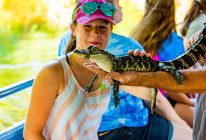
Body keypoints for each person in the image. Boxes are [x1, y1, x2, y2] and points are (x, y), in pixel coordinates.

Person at [58, 0, 193, 139]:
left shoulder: (67, 39)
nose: (121, 7)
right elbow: (154, 99)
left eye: (102, 28)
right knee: (193, 135)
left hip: (89, 129)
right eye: (118, 3)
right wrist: (182, 124)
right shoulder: (128, 45)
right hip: (130, 126)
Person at [84, 33, 206, 140]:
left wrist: (138, 78)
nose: (95, 33)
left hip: (132, 118)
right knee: (193, 133)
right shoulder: (126, 46)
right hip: (133, 124)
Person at [23, 0, 116, 139]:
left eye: (102, 27)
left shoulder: (109, 69)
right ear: (73, 29)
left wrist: (144, 66)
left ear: (110, 31)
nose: (95, 33)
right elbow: (31, 133)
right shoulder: (53, 72)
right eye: (88, 26)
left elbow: (146, 91)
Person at [129, 0, 194, 128]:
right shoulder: (175, 42)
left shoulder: (135, 35)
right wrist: (191, 103)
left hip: (140, 101)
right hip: (163, 101)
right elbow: (171, 89)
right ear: (171, 11)